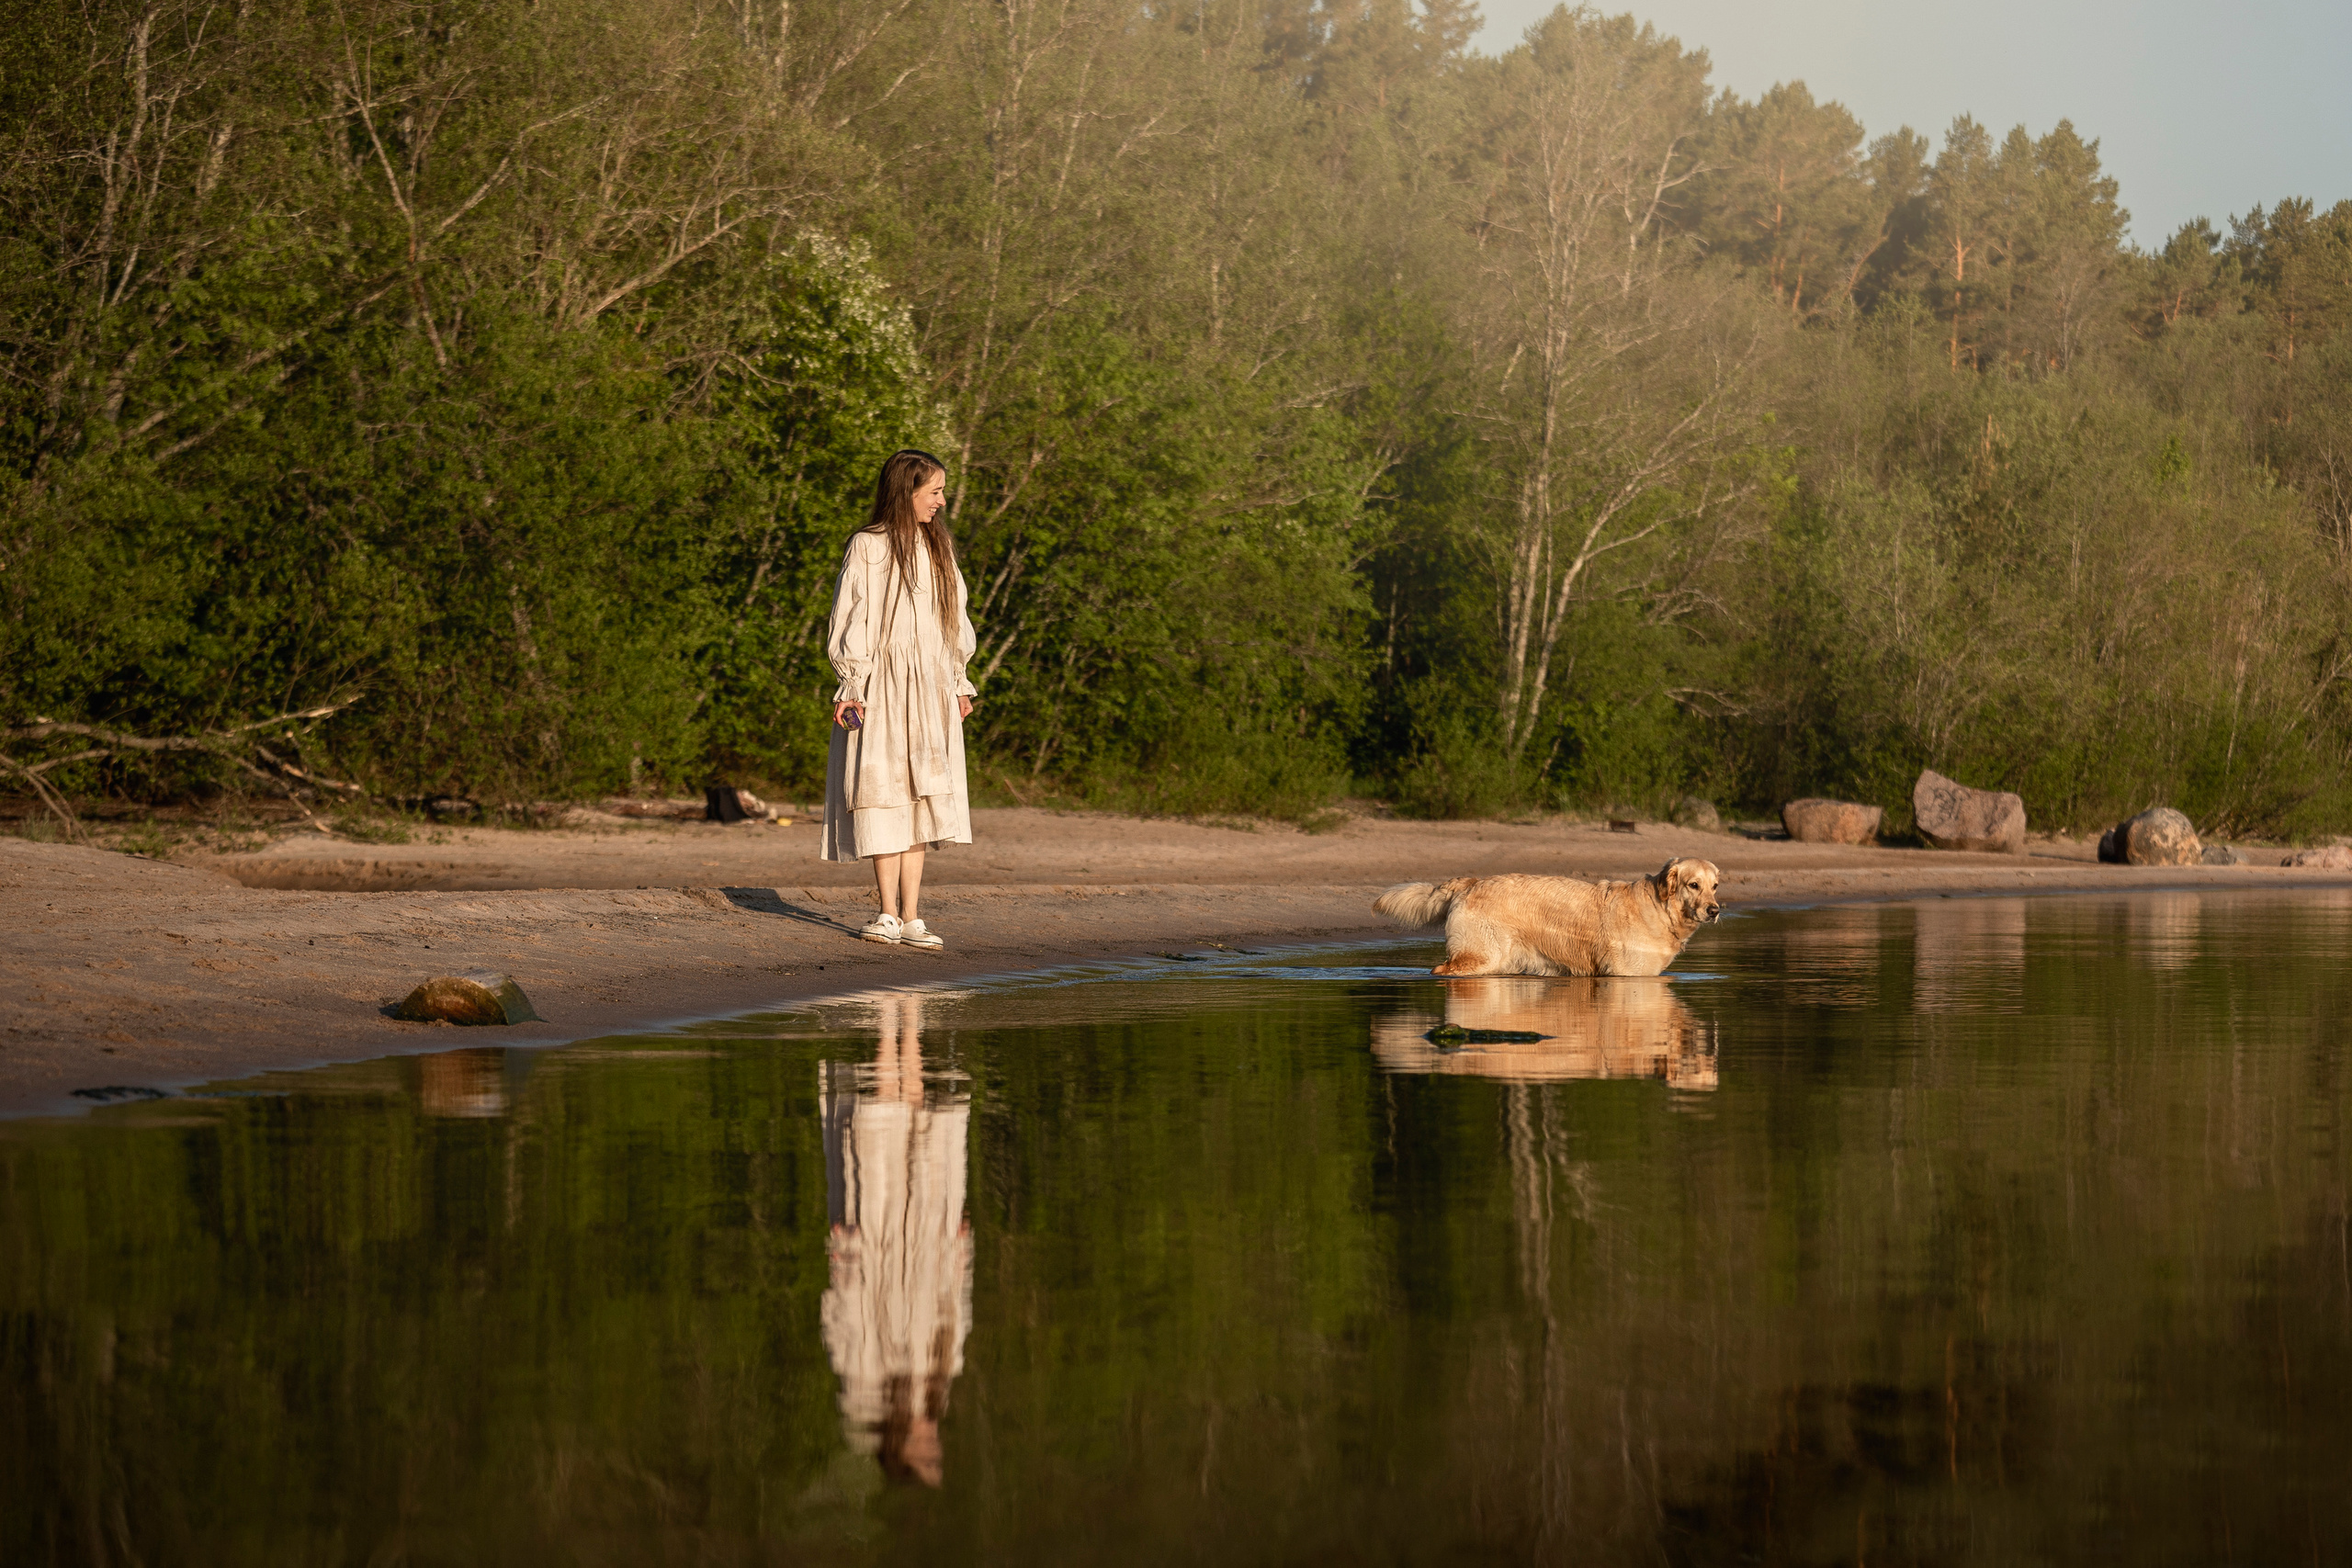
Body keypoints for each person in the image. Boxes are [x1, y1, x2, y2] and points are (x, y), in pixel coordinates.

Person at [823, 449, 978, 949]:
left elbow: (954, 621)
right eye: (933, 491)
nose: (941, 500)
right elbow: (852, 618)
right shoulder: (867, 546)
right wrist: (852, 687)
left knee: (918, 795)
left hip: (930, 686)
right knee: (881, 791)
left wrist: (958, 680)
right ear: (905, 491)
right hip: (882, 687)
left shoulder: (938, 548)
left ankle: (913, 916)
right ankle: (886, 912)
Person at [819, 994, 972, 1487]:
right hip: (930, 1249)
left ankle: (892, 1022)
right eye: (936, 1456)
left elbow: (845, 1329)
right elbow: (957, 1310)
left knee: (881, 1136)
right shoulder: (942, 1381)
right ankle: (908, 1021)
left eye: (924, 1458)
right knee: (920, 1121)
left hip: (879, 1264)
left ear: (899, 1450)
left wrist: (844, 1261)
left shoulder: (866, 1394)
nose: (933, 1448)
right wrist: (961, 1250)